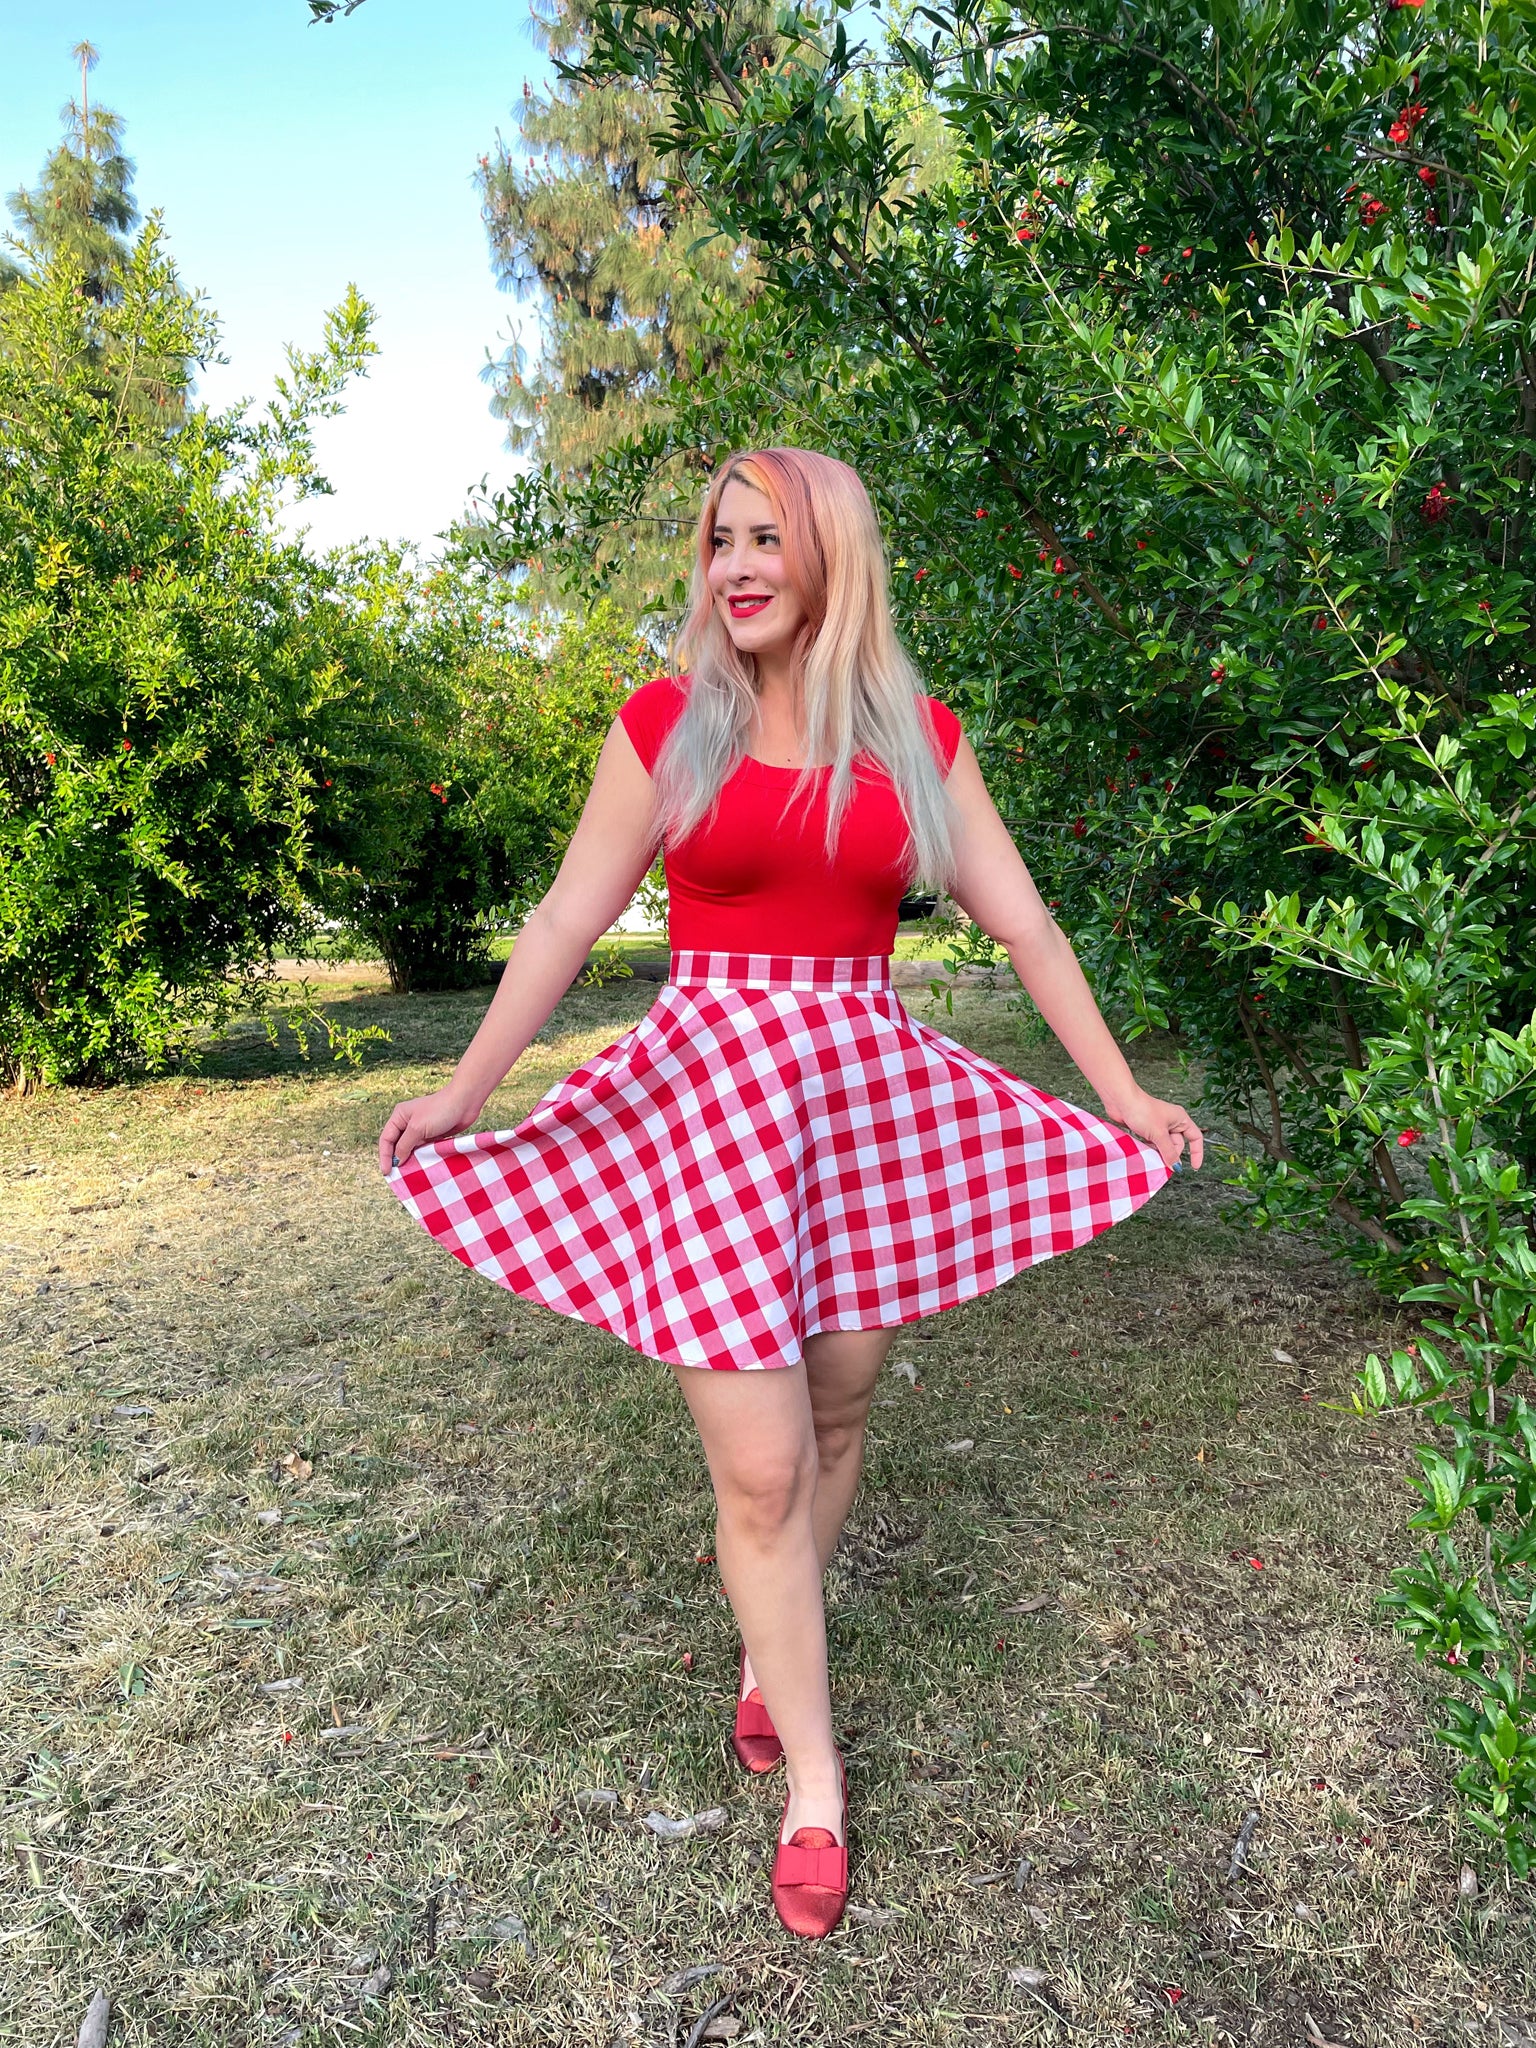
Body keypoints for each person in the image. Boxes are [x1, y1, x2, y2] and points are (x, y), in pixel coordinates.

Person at [378, 447, 1203, 1940]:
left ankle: (776, 1654)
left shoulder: (917, 743)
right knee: (758, 1473)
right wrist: (464, 1094)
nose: (735, 566)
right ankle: (812, 1784)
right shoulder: (664, 725)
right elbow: (570, 916)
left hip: (860, 1114)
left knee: (833, 1423)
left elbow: (1028, 929)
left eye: (768, 539)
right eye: (719, 541)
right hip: (712, 1114)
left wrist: (1123, 1092)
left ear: (833, 559)